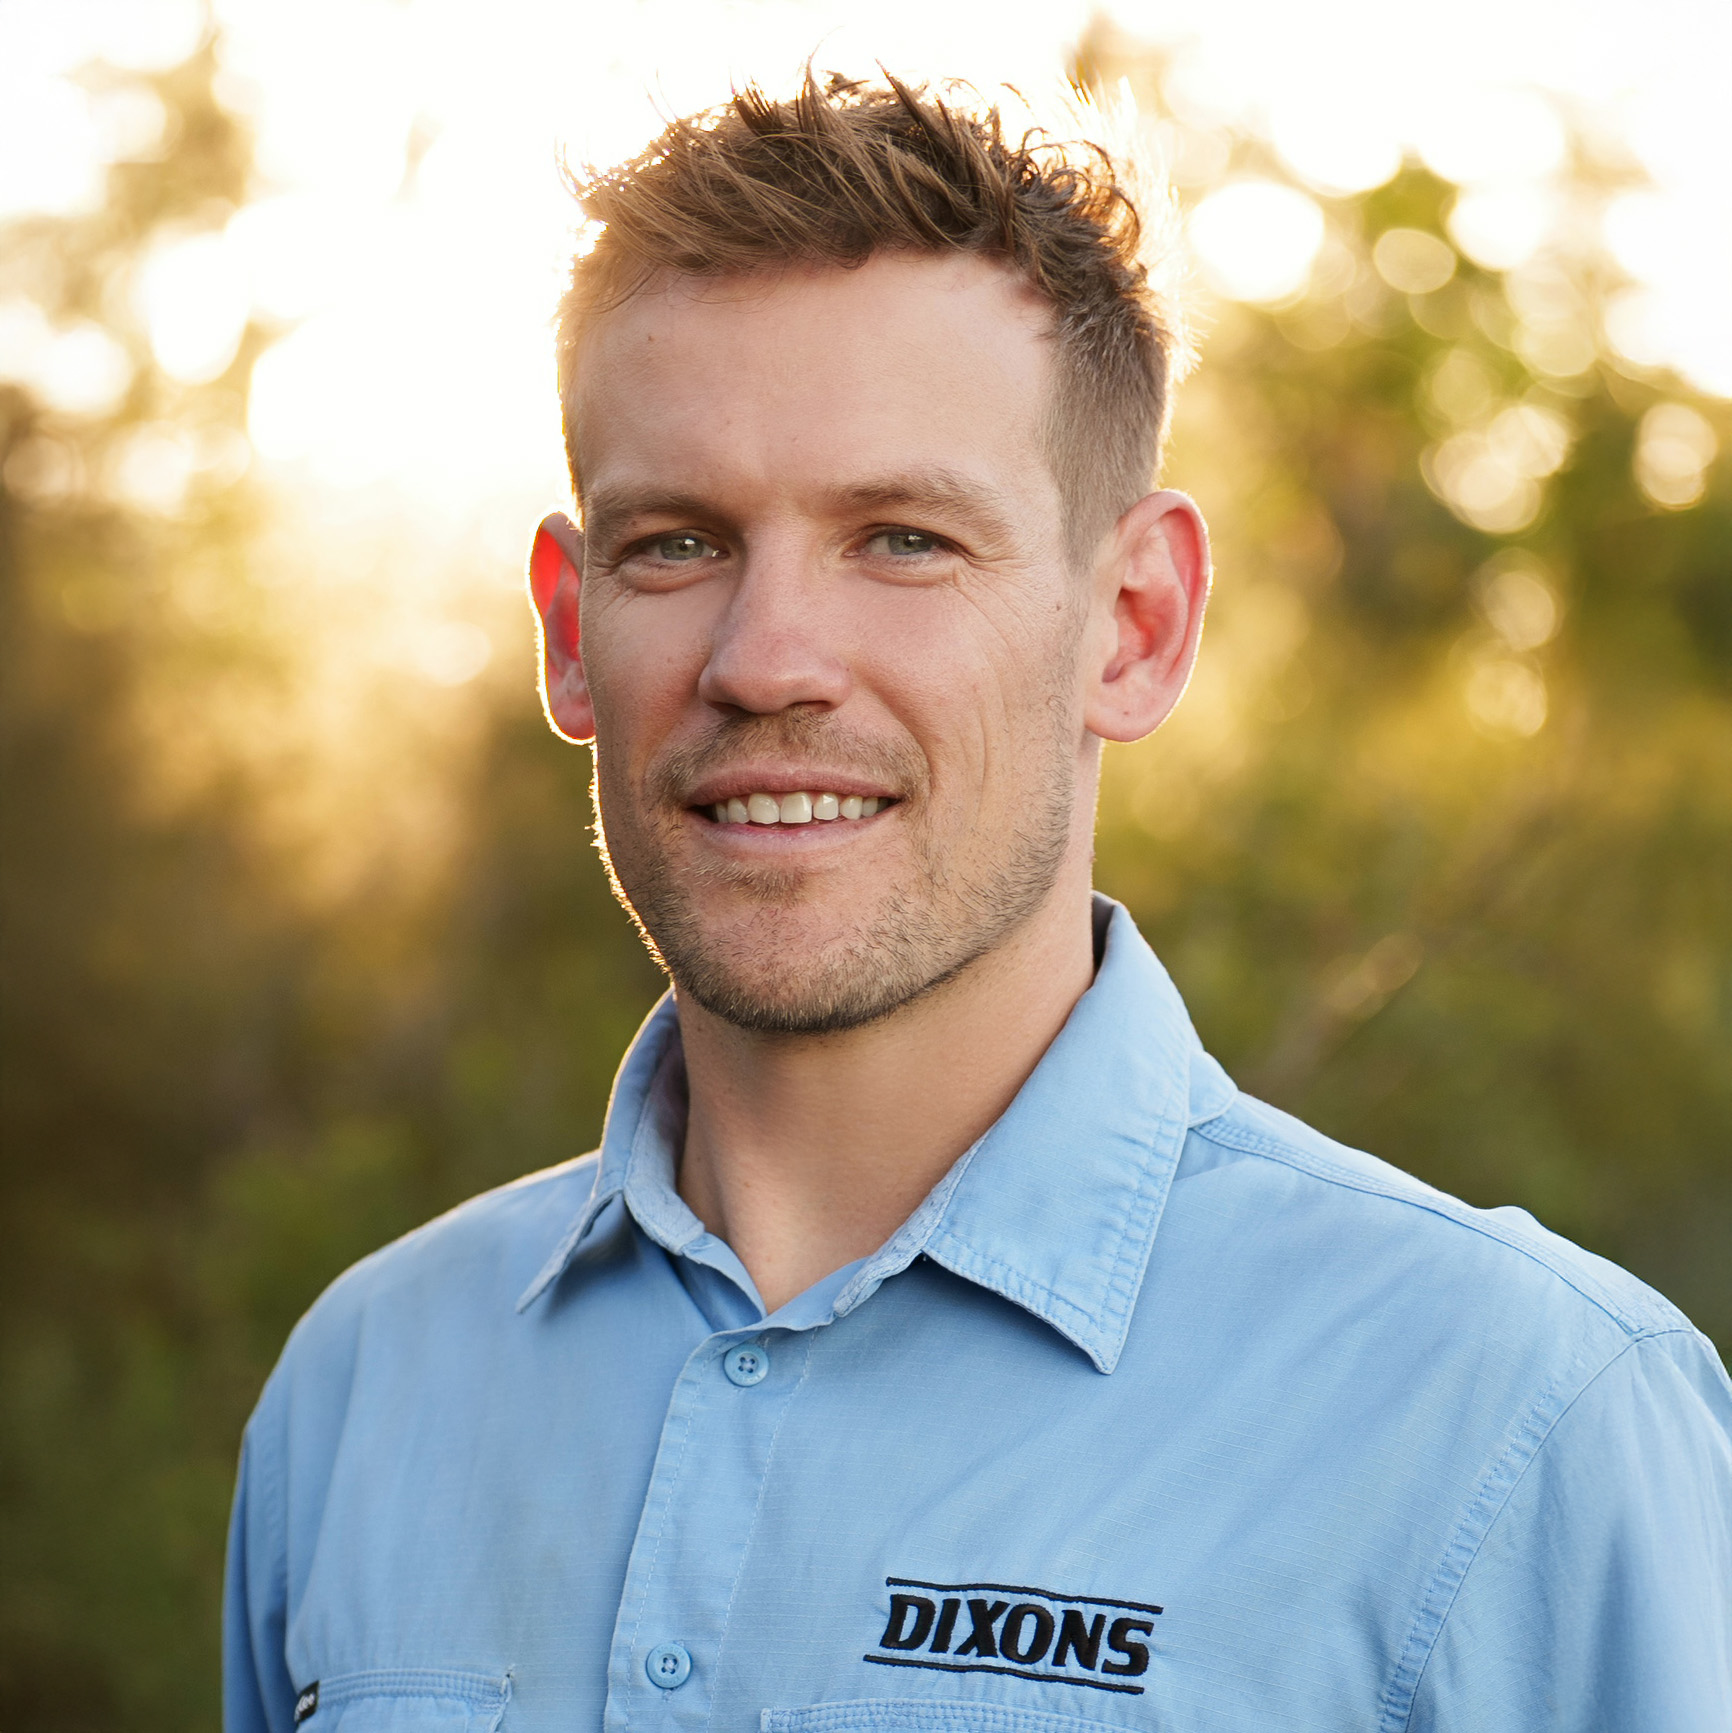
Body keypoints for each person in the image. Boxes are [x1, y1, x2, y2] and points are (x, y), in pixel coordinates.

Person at [224, 73, 1732, 1733]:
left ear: (1135, 625)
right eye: (677, 545)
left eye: (903, 539)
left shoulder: (1523, 1421)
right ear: (572, 636)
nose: (766, 660)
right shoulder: (361, 1392)